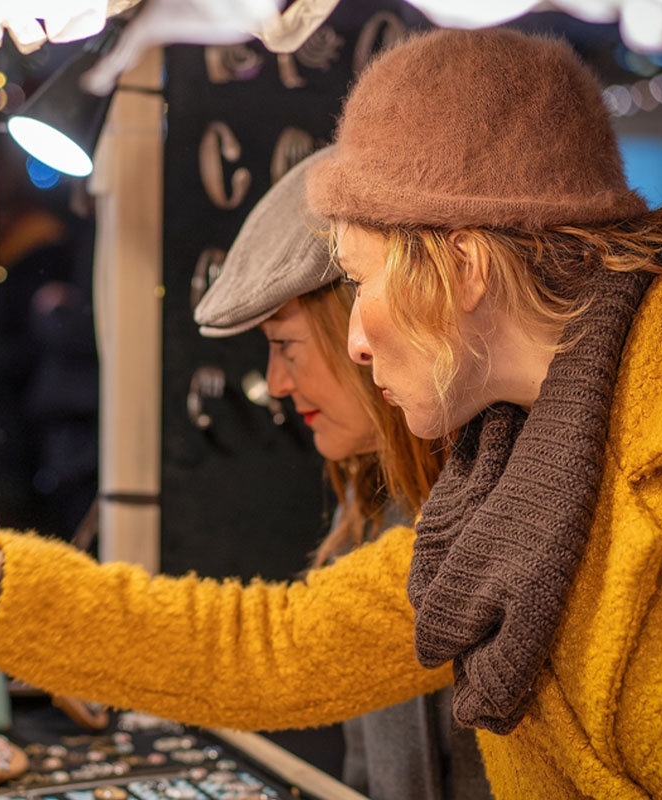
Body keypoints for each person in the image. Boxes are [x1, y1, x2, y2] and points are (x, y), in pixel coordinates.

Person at [0, 28, 662, 799]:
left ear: (464, 267)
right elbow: (277, 646)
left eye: (357, 282)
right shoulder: (502, 485)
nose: (351, 340)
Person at [194, 148, 487, 800]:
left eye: (285, 346)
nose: (274, 383)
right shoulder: (370, 506)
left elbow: (266, 655)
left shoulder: (505, 512)